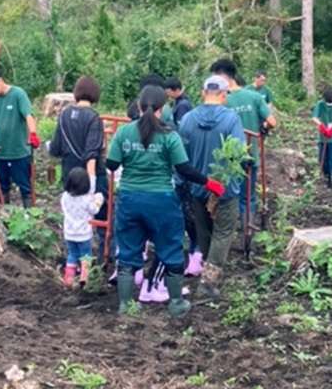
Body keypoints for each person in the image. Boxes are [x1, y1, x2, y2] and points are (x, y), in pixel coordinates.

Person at [105, 85, 225, 316]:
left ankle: (125, 305)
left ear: (139, 106)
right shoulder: (170, 136)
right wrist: (209, 183)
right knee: (170, 248)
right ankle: (176, 303)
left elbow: (111, 165)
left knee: (128, 252)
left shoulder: (123, 133)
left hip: (130, 199)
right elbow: (184, 169)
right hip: (161, 200)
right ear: (163, 109)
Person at [179, 75, 249, 298]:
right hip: (224, 187)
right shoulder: (231, 119)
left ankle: (206, 269)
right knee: (224, 231)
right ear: (224, 95)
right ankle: (209, 282)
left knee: (204, 230)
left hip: (197, 186)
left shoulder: (187, 119)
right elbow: (238, 153)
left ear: (203, 93)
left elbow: (181, 156)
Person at [210, 58, 276, 215]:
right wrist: (262, 128)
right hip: (251, 153)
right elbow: (272, 122)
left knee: (230, 195)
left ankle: (236, 223)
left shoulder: (221, 100)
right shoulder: (254, 97)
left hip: (228, 157)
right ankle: (248, 224)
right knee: (248, 196)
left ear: (223, 77)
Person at [0, 68, 40, 207]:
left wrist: (33, 134)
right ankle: (4, 213)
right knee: (1, 187)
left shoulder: (18, 94)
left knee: (25, 186)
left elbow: (28, 115)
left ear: (0, 80)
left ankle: (29, 213)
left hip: (18, 151)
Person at [47, 75, 105, 190]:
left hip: (69, 174)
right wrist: (92, 183)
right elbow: (91, 153)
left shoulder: (64, 114)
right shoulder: (93, 117)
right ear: (95, 93)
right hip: (86, 176)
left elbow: (55, 148)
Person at [60, 167, 104, 287]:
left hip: (69, 233)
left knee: (72, 254)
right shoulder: (86, 199)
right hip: (83, 234)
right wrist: (99, 199)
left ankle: (69, 279)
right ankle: (85, 279)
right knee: (86, 256)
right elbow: (94, 210)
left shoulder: (65, 197)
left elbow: (64, 208)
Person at [312, 86, 332, 189]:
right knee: (323, 159)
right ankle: (327, 179)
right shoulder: (320, 104)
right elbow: (314, 117)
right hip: (323, 138)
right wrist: (321, 125)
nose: (330, 104)